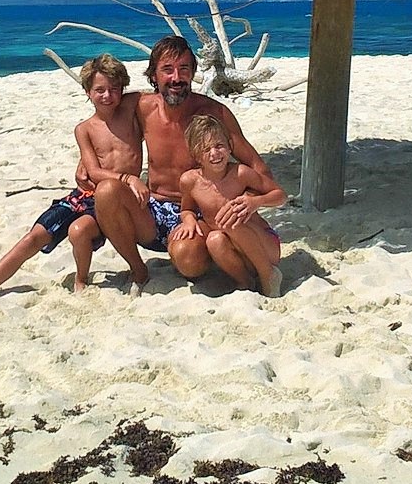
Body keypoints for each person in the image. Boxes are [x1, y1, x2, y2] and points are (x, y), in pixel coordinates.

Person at [88, 35, 282, 294]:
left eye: (184, 69)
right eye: (167, 70)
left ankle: (216, 255)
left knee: (188, 261)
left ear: (192, 72)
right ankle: (138, 270)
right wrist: (85, 162)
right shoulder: (140, 106)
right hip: (153, 209)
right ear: (154, 75)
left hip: (196, 212)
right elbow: (103, 120)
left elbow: (259, 168)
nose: (176, 78)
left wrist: (246, 200)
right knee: (106, 191)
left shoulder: (213, 114)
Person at [0, 54, 143, 305]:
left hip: (110, 201)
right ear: (87, 92)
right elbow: (92, 170)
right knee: (33, 237)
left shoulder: (132, 109)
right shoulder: (84, 128)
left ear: (122, 87)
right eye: (99, 90)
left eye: (114, 89)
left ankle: (81, 279)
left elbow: (158, 96)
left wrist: (128, 181)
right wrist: (126, 177)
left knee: (78, 231)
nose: (107, 95)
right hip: (83, 196)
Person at [177, 114, 287, 296]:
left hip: (265, 246)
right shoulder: (190, 181)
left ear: (229, 146)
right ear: (196, 156)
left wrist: (255, 201)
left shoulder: (241, 174)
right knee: (214, 240)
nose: (214, 153)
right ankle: (245, 282)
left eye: (219, 145)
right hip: (237, 252)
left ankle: (268, 274)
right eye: (206, 149)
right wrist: (189, 220)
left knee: (229, 219)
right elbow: (186, 209)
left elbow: (281, 195)